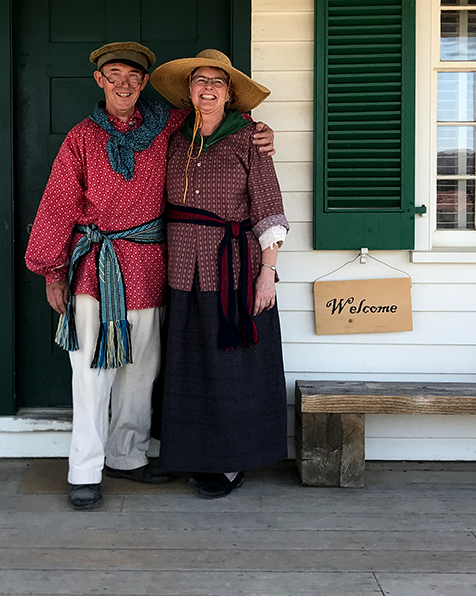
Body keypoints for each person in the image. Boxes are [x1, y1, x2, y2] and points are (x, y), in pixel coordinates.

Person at [24, 41, 274, 510]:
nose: (124, 83)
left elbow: (219, 121)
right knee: (92, 376)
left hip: (152, 268)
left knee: (142, 373)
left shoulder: (167, 125)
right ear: (99, 80)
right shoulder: (80, 137)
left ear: (144, 83)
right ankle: (84, 470)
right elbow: (58, 203)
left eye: (133, 76)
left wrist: (260, 133)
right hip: (95, 272)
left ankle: (127, 455)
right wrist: (51, 269)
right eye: (114, 74)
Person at [150, 49, 289, 499]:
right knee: (190, 366)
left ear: (230, 95)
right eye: (199, 81)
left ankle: (230, 462)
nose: (207, 89)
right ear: (189, 91)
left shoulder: (250, 139)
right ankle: (195, 454)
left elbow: (269, 210)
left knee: (231, 367)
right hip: (181, 273)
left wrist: (267, 274)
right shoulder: (175, 139)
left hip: (233, 272)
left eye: (217, 82)